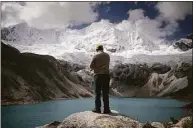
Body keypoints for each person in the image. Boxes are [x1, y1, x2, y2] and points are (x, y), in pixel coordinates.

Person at [90, 44, 111, 114]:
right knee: (105, 93)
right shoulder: (107, 55)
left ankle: (97, 109)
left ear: (97, 49)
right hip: (106, 75)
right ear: (102, 49)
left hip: (98, 76)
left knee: (97, 93)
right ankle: (106, 109)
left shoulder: (95, 56)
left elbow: (91, 66)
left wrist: (97, 68)